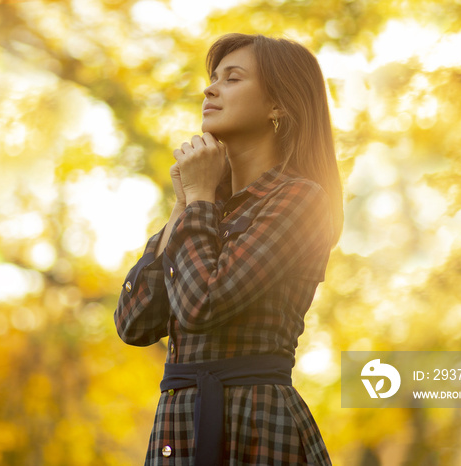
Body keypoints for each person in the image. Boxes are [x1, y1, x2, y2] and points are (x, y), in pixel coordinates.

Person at [114, 32, 343, 466]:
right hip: (177, 426)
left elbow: (203, 304)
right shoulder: (204, 207)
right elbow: (133, 324)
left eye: (232, 78)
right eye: (213, 77)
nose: (210, 88)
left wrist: (197, 199)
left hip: (254, 423)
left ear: (278, 105)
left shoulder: (301, 200)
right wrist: (185, 204)